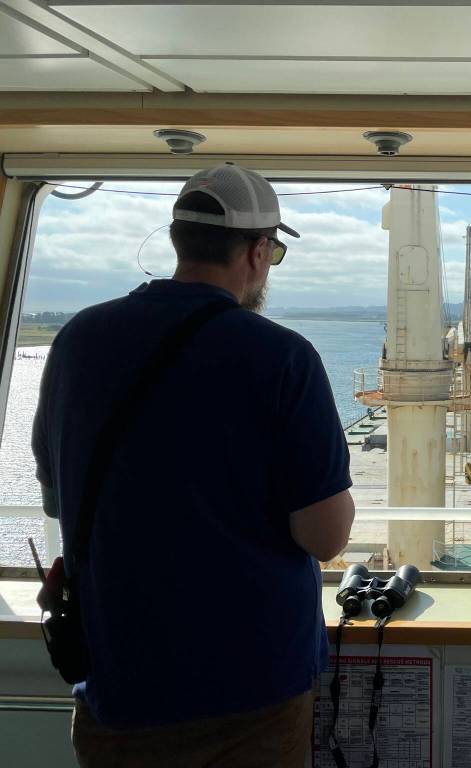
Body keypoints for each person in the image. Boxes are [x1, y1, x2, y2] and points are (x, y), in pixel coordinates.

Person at [32, 163, 355, 767]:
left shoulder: (77, 340)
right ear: (258, 252)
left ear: (180, 238)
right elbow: (326, 536)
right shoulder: (284, 358)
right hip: (251, 693)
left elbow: (59, 499)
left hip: (119, 685)